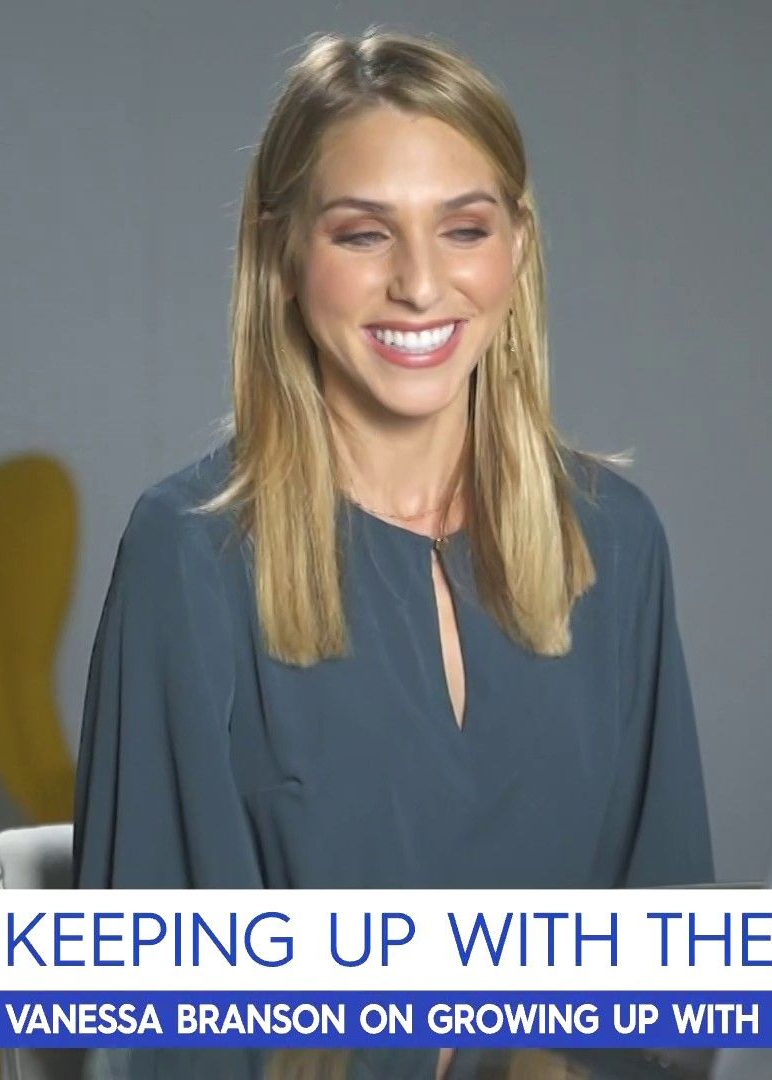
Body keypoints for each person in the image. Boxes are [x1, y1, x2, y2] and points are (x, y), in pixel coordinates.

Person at [71, 28, 714, 1079]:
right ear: (282, 255)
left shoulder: (617, 543)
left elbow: (670, 995)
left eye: (464, 229)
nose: (419, 284)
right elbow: (152, 1027)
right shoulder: (188, 557)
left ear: (517, 248)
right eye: (364, 235)